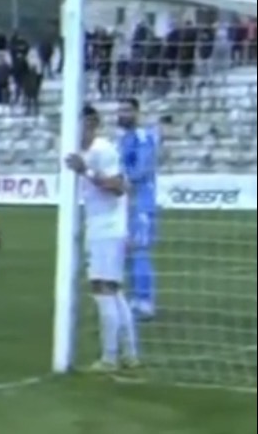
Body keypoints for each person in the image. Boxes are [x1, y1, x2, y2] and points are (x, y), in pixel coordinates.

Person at [64, 105, 138, 371]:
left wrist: (86, 171)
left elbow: (119, 187)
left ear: (91, 123)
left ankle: (110, 357)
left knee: (102, 289)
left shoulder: (102, 150)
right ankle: (129, 354)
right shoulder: (83, 151)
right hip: (100, 226)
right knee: (113, 290)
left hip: (107, 228)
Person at [116, 98, 158, 320]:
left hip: (141, 203)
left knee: (140, 250)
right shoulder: (123, 139)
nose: (123, 114)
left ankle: (145, 301)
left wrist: (121, 179)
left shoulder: (143, 137)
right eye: (120, 110)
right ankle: (134, 298)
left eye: (127, 110)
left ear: (136, 113)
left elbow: (142, 169)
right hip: (124, 203)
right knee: (127, 252)